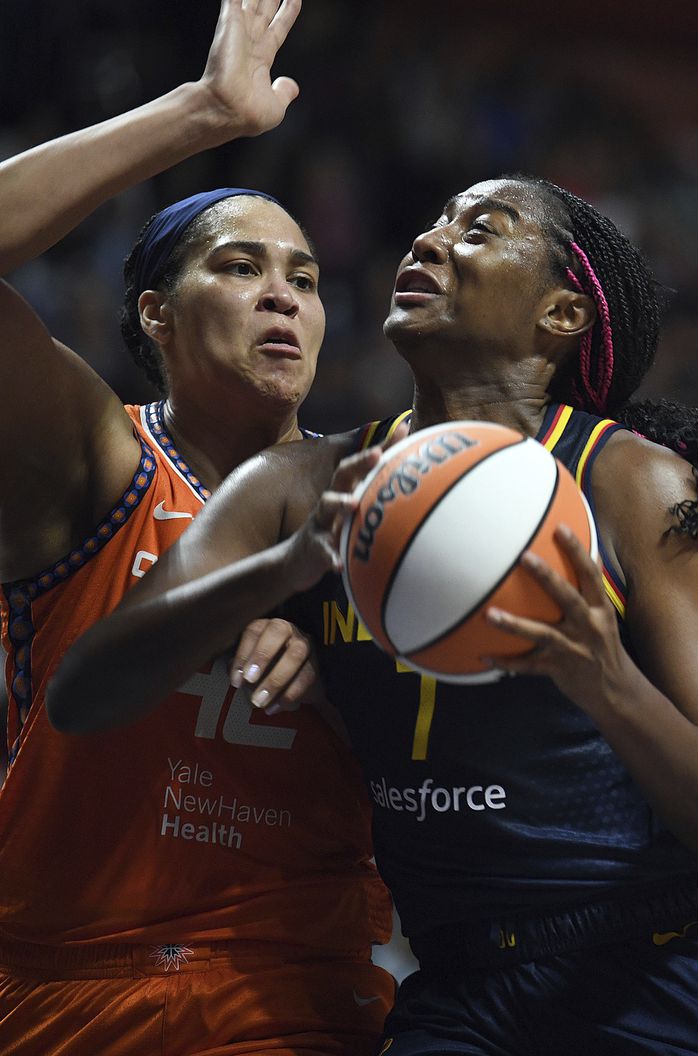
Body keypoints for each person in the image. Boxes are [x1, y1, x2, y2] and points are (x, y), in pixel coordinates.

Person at [49, 171, 698, 1055]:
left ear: (562, 314)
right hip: (462, 984)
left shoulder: (631, 484)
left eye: (481, 227)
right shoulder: (302, 488)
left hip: (671, 958)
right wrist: (281, 574)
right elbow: (82, 695)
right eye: (435, 220)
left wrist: (605, 681)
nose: (430, 240)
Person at [0, 2, 394, 1054]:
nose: (282, 297)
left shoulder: (385, 488)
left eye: (304, 280)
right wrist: (201, 112)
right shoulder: (100, 459)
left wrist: (339, 656)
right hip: (78, 985)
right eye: (238, 267)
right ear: (154, 315)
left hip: (303, 994)